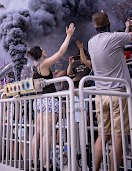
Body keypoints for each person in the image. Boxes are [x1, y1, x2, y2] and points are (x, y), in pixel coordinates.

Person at [88, 5, 132, 171]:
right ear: (108, 24)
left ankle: (95, 169)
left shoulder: (91, 42)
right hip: (118, 93)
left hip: (100, 96)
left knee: (103, 135)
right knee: (119, 135)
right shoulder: (115, 37)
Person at [28, 23, 75, 170]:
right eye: (42, 49)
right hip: (48, 101)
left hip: (39, 101)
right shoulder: (43, 64)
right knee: (47, 134)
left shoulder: (34, 66)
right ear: (40, 53)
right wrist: (68, 35)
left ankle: (34, 162)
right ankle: (46, 164)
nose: (45, 50)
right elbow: (61, 52)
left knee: (39, 132)